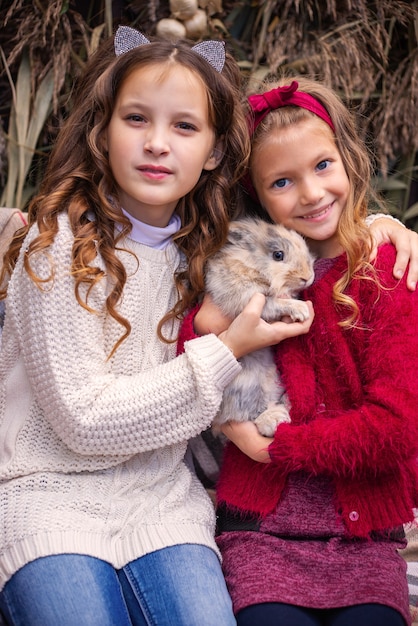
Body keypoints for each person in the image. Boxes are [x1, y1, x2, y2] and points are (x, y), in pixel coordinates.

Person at [0, 27, 320, 626]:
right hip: (48, 494)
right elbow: (83, 421)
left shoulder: (208, 248)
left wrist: (390, 227)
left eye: (184, 127)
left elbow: (310, 240)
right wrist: (226, 350)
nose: (156, 144)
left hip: (163, 504)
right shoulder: (59, 244)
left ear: (216, 151)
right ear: (103, 129)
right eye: (136, 118)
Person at [179, 76, 418, 626]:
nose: (311, 193)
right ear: (257, 197)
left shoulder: (387, 273)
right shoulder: (254, 268)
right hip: (261, 533)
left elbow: (397, 426)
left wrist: (284, 446)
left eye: (322, 166)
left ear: (349, 162)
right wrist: (207, 326)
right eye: (283, 182)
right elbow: (192, 355)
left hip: (363, 539)